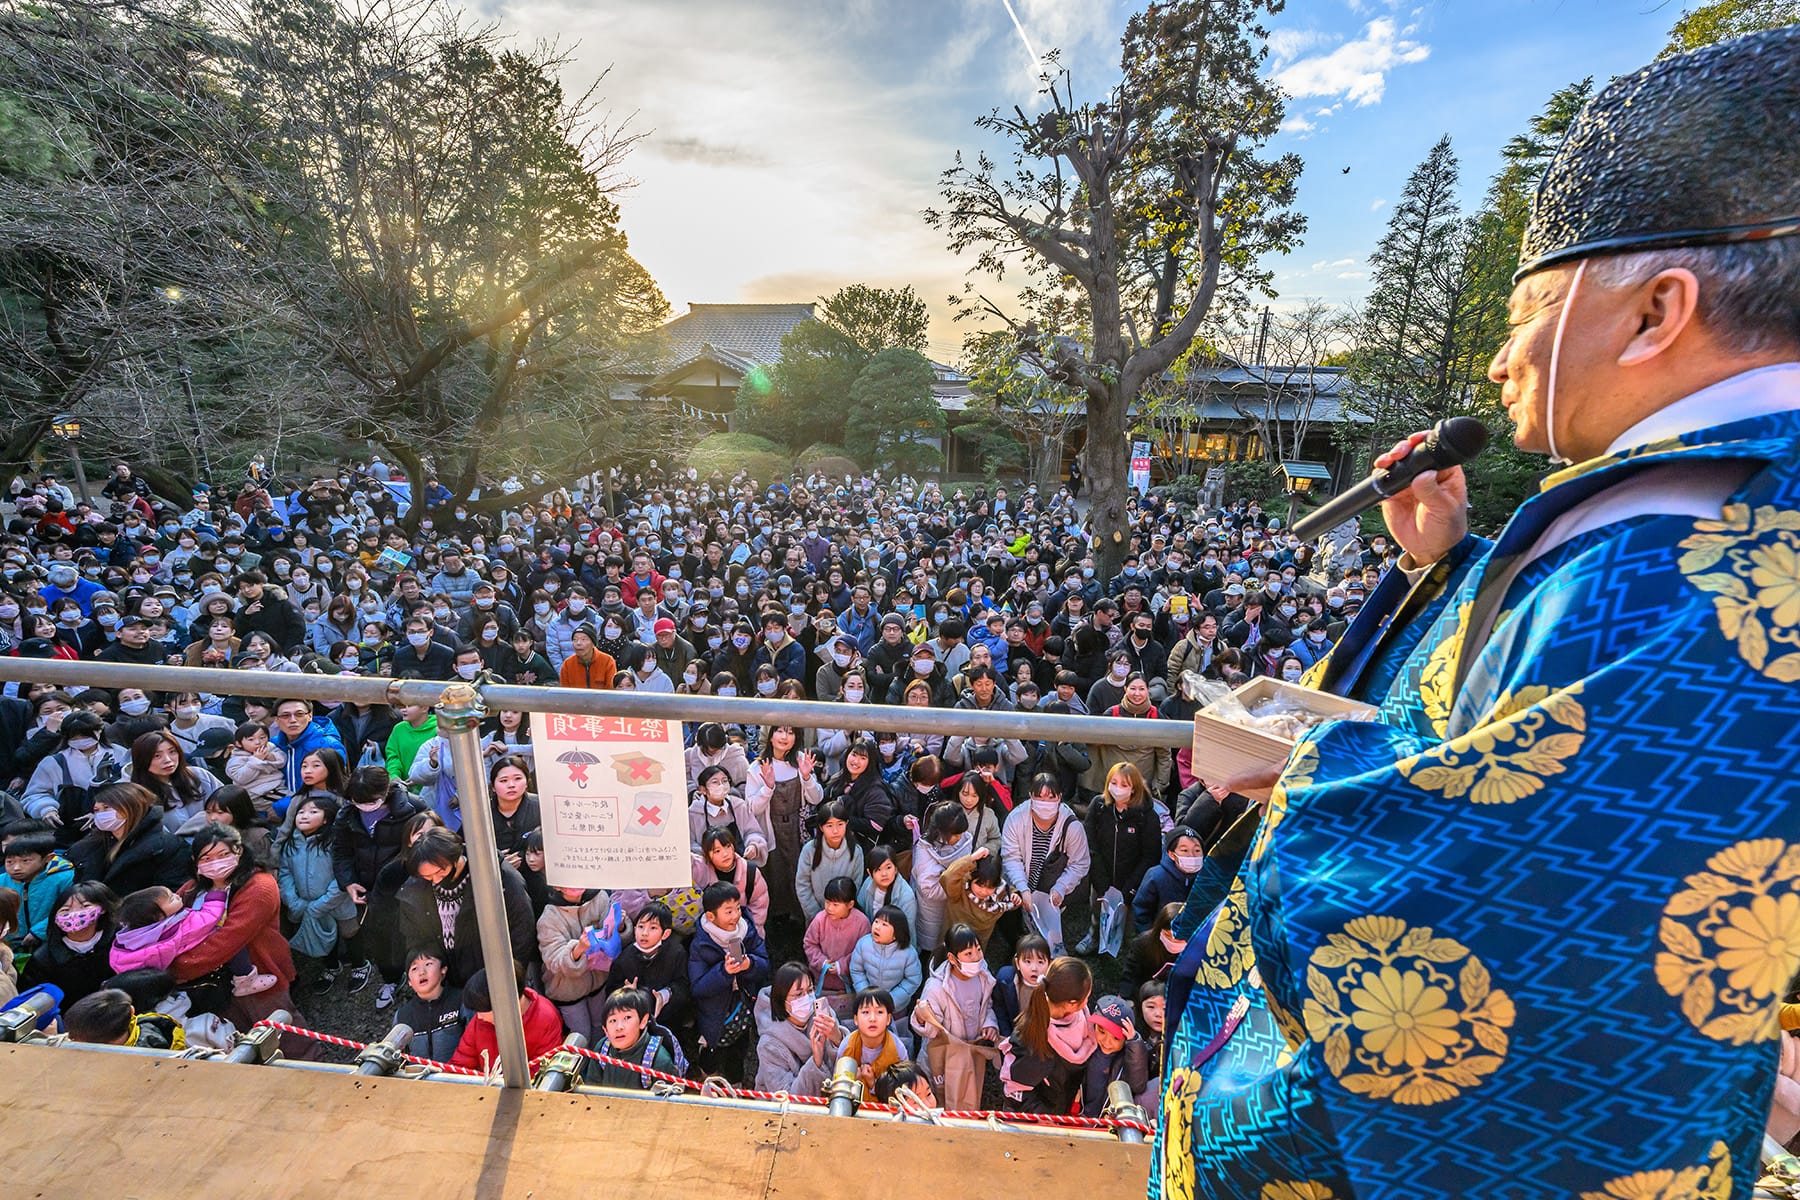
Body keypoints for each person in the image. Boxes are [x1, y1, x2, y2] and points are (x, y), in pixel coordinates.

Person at [1167, 32, 1800, 1197]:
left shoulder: (1681, 555)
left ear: (1660, 310)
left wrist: (1315, 773)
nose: (1508, 355)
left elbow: (1489, 919)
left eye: (1533, 305)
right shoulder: (1714, 514)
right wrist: (1447, 567)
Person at [330, 765, 426, 1001]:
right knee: (381, 940)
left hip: (408, 888)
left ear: (386, 792)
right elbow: (340, 851)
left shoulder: (413, 808)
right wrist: (349, 882)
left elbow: (429, 847)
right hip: (370, 891)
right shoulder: (347, 814)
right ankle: (392, 979)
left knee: (418, 935)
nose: (364, 806)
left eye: (371, 801)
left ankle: (425, 981)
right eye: (357, 801)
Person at [107, 885, 275, 995]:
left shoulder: (130, 935)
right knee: (234, 945)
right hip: (189, 969)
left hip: (152, 981)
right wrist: (217, 893)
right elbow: (209, 917)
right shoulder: (178, 926)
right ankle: (244, 980)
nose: (177, 895)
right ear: (158, 916)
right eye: (172, 898)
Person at [910, 923, 1000, 1110]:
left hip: (970, 1051)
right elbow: (931, 1030)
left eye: (978, 950)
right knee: (939, 1097)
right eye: (968, 954)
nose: (976, 957)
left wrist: (990, 1025)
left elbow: (987, 1006)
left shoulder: (983, 976)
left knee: (967, 1093)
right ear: (952, 958)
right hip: (943, 1055)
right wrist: (921, 1017)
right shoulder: (936, 988)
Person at [274, 792, 359, 987]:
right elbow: (285, 873)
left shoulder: (335, 841)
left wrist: (324, 901)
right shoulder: (291, 843)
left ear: (326, 818)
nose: (304, 816)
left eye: (313, 812)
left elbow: (343, 873)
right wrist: (293, 900)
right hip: (306, 903)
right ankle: (331, 966)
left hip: (337, 900)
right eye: (300, 812)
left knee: (350, 932)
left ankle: (359, 965)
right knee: (321, 936)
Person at [688, 880, 769, 1081]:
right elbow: (697, 987)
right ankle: (709, 1077)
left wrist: (749, 965)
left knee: (738, 1050)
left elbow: (765, 965)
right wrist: (723, 972)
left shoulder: (746, 929)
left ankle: (736, 1082)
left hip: (743, 1004)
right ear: (710, 916)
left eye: (736, 909)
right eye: (728, 911)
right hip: (714, 1013)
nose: (735, 916)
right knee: (712, 1051)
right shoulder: (701, 944)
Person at [1000, 955, 1092, 1114]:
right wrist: (1049, 1119)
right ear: (1071, 1004)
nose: (1088, 1001)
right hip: (1047, 1121)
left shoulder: (1082, 1016)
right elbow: (1015, 1094)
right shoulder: (1034, 1044)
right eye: (1087, 996)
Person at [65, 783, 191, 899]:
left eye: (106, 807)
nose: (101, 814)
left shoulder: (169, 846)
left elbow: (170, 893)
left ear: (131, 807)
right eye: (97, 810)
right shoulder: (88, 846)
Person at [536, 884, 618, 1045]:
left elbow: (611, 931)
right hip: (567, 989)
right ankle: (583, 1068)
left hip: (598, 980)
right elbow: (553, 961)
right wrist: (578, 949)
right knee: (580, 1036)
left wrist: (619, 926)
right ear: (557, 886)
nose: (574, 884)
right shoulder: (549, 917)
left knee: (602, 1026)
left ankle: (600, 1064)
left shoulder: (599, 896)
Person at [754, 960, 847, 1095]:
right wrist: (816, 1060)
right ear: (781, 1000)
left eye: (809, 990)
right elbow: (786, 1096)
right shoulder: (769, 1045)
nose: (806, 998)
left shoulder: (823, 1016)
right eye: (798, 994)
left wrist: (837, 1039)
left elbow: (846, 1067)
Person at [20, 881, 120, 1007]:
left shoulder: (119, 942)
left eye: (85, 906)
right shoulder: (43, 959)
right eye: (66, 910)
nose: (74, 914)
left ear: (102, 909)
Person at [449, 966, 565, 1074]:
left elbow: (540, 1075)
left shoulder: (545, 1018)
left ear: (504, 1004)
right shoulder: (481, 1020)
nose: (478, 1017)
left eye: (481, 1011)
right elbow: (461, 1063)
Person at [604, 901, 692, 1042]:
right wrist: (625, 993)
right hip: (636, 1023)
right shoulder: (625, 958)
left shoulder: (676, 953)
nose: (644, 933)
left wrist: (666, 994)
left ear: (666, 933)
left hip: (669, 1019)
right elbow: (611, 990)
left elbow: (684, 984)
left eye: (653, 928)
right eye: (640, 926)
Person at [1, 821, 74, 964]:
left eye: (25, 861)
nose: (16, 867)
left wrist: (39, 932)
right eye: (10, 862)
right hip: (11, 944)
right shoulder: (2, 880)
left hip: (50, 942)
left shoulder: (64, 877)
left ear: (47, 858)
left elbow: (68, 908)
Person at [590, 986, 686, 1089]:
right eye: (613, 1020)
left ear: (643, 1021)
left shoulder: (658, 1060)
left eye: (627, 1018)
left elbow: (669, 1102)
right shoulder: (602, 1050)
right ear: (605, 1030)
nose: (619, 1027)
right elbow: (590, 1088)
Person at [802, 876, 871, 1011]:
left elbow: (864, 951)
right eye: (827, 902)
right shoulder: (820, 919)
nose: (829, 908)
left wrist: (842, 966)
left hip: (850, 984)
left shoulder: (862, 922)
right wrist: (822, 962)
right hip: (822, 982)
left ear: (850, 904)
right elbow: (809, 944)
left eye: (835, 905)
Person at [794, 801, 864, 924]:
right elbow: (802, 884)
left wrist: (843, 910)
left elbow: (856, 884)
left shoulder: (856, 851)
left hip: (845, 915)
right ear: (821, 827)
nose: (835, 831)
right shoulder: (810, 850)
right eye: (829, 826)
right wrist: (815, 914)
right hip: (815, 916)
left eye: (840, 824)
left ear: (846, 824)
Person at [393, 945, 465, 1064]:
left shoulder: (461, 1000)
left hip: (459, 1078)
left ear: (443, 969)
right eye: (414, 968)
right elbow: (397, 1059)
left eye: (428, 964)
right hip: (418, 1080)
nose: (422, 972)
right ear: (409, 981)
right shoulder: (402, 1016)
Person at [940, 846, 1022, 951]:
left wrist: (1015, 896)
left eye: (990, 887)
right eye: (980, 885)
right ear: (971, 877)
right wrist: (971, 858)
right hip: (951, 940)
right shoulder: (959, 889)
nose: (984, 891)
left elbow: (1009, 896)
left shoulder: (1002, 891)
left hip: (979, 944)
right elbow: (948, 876)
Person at [849, 904, 923, 1014]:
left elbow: (913, 980)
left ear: (896, 934)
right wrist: (865, 994)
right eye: (876, 921)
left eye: (884, 924)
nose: (877, 927)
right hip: (867, 1004)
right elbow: (856, 970)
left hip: (896, 1007)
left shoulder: (908, 953)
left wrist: (891, 1000)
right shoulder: (864, 944)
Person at [1131, 825, 1204, 928]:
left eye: (1197, 851)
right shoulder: (1156, 876)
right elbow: (1141, 911)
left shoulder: (1208, 877)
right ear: (1171, 854)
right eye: (1184, 850)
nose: (1191, 855)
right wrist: (1151, 937)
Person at [990, 932, 1052, 1040]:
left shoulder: (1055, 985)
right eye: (1028, 961)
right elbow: (1000, 1009)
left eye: (1040, 962)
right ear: (1017, 963)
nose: (1034, 968)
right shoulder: (1006, 980)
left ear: (1049, 964)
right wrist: (1007, 1037)